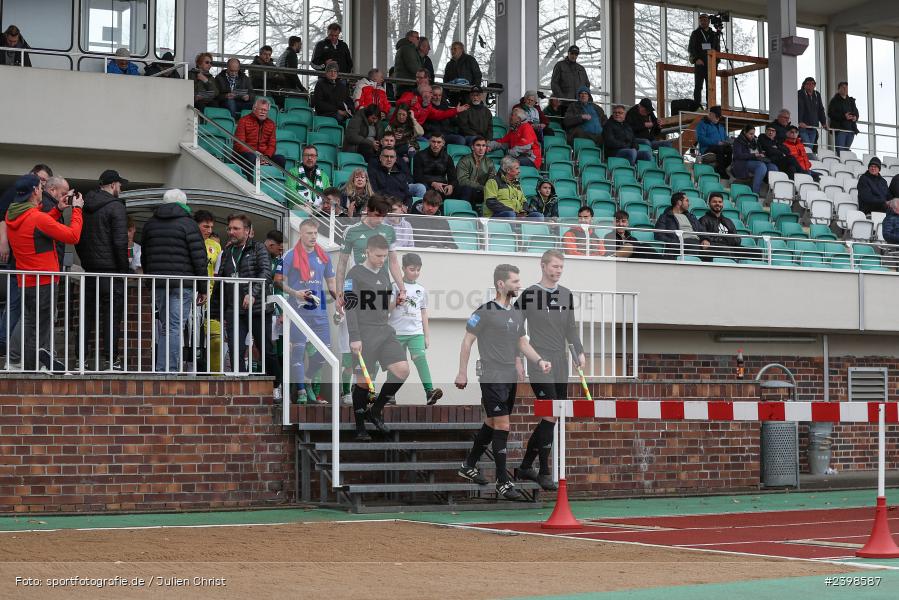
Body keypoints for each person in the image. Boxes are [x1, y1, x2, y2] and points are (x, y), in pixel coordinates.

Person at [455, 263, 552, 500]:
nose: (519, 285)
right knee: (503, 425)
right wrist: (462, 372)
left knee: (491, 422)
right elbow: (467, 341)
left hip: (509, 376)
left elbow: (521, 342)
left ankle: (468, 465)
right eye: (515, 281)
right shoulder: (484, 311)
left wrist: (538, 361)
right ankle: (503, 481)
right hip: (491, 375)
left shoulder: (517, 313)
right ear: (501, 284)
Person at [514, 250, 584, 490]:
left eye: (561, 267)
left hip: (561, 361)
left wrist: (579, 352)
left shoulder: (566, 295)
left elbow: (571, 329)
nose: (558, 270)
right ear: (543, 266)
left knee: (553, 416)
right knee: (550, 413)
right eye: (555, 266)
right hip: (539, 360)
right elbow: (514, 327)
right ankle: (543, 471)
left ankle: (525, 466)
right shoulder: (530, 294)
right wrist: (517, 358)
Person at [5, 174, 83, 371]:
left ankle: (23, 362)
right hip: (43, 279)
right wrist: (77, 210)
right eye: (39, 188)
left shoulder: (13, 214)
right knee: (38, 328)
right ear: (34, 192)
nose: (41, 190)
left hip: (26, 278)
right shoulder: (36, 217)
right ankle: (33, 368)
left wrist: (57, 209)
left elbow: (36, 226)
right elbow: (73, 236)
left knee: (31, 323)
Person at [345, 234, 411, 440]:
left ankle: (375, 410)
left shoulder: (384, 274)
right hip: (363, 333)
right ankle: (360, 428)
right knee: (364, 382)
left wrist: (396, 304)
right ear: (367, 252)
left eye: (384, 256)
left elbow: (384, 307)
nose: (382, 260)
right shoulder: (354, 274)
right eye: (378, 256)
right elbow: (350, 307)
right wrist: (354, 336)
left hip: (384, 329)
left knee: (402, 370)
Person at [141, 189, 208, 372]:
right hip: (182, 284)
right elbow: (199, 259)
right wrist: (203, 288)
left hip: (159, 283)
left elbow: (145, 257)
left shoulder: (150, 224)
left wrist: (150, 280)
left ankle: (164, 367)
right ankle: (168, 369)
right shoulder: (189, 224)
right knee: (175, 326)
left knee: (166, 326)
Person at [276, 219, 337, 404]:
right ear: (301, 234)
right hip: (298, 312)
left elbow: (332, 284)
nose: (313, 237)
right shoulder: (290, 255)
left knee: (324, 353)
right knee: (298, 353)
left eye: (315, 233)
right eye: (309, 233)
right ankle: (301, 392)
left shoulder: (324, 256)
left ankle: (308, 379)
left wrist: (340, 300)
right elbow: (278, 281)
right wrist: (296, 293)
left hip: (319, 313)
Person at [76, 170, 130, 370]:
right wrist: (124, 271)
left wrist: (86, 261)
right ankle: (111, 360)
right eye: (120, 185)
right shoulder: (116, 207)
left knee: (86, 315)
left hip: (89, 270)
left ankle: (80, 359)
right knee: (111, 316)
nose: (121, 188)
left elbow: (78, 239)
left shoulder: (84, 206)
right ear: (113, 185)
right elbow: (120, 242)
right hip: (110, 271)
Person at [0, 164, 52, 356]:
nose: (41, 184)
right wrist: (3, 242)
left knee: (28, 312)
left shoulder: (41, 203)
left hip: (30, 265)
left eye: (44, 181)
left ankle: (22, 350)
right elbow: (4, 216)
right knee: (17, 306)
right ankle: (5, 343)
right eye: (39, 179)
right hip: (18, 262)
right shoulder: (16, 194)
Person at [217, 214, 272, 374]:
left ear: (247, 231)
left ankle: (276, 385)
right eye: (229, 228)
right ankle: (240, 385)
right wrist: (216, 309)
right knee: (236, 350)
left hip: (258, 309)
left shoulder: (258, 248)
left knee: (266, 349)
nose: (231, 232)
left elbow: (266, 273)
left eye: (236, 228)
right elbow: (222, 278)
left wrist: (253, 293)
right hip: (234, 309)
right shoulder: (227, 251)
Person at [388, 253, 443, 405]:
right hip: (396, 332)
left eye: (418, 270)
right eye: (412, 269)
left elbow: (424, 312)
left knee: (420, 358)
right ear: (403, 269)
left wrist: (426, 335)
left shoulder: (421, 289)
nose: (416, 273)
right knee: (396, 364)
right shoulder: (394, 286)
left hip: (415, 333)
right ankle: (389, 395)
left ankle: (429, 392)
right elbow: (386, 308)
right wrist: (397, 301)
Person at [335, 196, 406, 311]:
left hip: (382, 287)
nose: (380, 220)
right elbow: (342, 264)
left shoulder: (389, 231)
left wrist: (402, 289)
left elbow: (393, 262)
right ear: (368, 210)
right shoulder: (351, 231)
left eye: (383, 216)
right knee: (357, 326)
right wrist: (339, 292)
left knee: (379, 326)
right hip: (358, 287)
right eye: (377, 215)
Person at [194, 210, 224, 371]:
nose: (209, 230)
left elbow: (219, 272)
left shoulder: (215, 246)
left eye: (211, 227)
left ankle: (215, 373)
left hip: (211, 296)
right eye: (205, 226)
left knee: (215, 338)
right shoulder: (189, 241)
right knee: (192, 338)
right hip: (191, 294)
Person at [233, 98, 287, 176]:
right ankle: (250, 183)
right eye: (261, 109)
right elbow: (239, 144)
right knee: (250, 157)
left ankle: (278, 184)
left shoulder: (271, 124)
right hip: (246, 155)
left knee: (280, 159)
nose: (263, 112)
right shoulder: (243, 121)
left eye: (265, 110)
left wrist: (266, 157)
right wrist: (257, 156)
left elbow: (272, 145)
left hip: (263, 156)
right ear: (254, 109)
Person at [654, 192, 707, 257]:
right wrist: (677, 242)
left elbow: (702, 230)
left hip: (696, 242)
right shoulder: (665, 217)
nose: (689, 204)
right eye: (687, 201)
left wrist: (705, 239)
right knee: (694, 246)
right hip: (682, 243)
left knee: (717, 247)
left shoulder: (691, 217)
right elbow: (659, 235)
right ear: (679, 202)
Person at [455, 136, 496, 213]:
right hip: (464, 191)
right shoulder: (464, 160)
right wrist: (481, 187)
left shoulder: (489, 162)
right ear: (472, 147)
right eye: (478, 145)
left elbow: (492, 179)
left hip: (481, 192)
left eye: (483, 146)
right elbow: (462, 181)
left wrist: (487, 188)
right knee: (468, 189)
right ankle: (466, 213)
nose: (481, 148)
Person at [732, 124, 777, 194]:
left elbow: (759, 151)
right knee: (761, 166)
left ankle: (772, 194)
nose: (752, 136)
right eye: (750, 134)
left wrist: (761, 154)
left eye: (753, 134)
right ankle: (755, 193)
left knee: (773, 167)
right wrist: (754, 155)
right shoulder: (738, 141)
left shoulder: (755, 141)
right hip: (743, 163)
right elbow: (738, 155)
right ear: (744, 132)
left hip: (757, 160)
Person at [688, 14, 721, 106]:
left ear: (708, 22)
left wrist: (716, 62)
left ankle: (710, 106)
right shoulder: (695, 33)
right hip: (700, 63)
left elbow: (717, 49)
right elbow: (691, 48)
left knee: (710, 86)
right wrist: (696, 59)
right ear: (699, 22)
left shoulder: (714, 34)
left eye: (705, 20)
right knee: (698, 86)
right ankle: (697, 106)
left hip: (711, 64)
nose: (703, 22)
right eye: (701, 20)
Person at [413, 133, 457, 198]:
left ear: (443, 143)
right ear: (429, 142)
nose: (436, 145)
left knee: (461, 189)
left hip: (442, 186)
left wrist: (451, 185)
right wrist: (433, 183)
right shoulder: (419, 155)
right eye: (433, 142)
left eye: (439, 142)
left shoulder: (448, 158)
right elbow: (417, 177)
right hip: (425, 185)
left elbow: (453, 178)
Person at [698, 192, 740, 260]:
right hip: (715, 249)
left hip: (730, 248)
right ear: (709, 204)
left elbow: (737, 239)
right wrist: (724, 240)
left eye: (720, 202)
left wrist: (725, 241)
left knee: (756, 252)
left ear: (722, 204)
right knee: (725, 249)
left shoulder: (728, 221)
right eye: (714, 202)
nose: (717, 204)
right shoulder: (703, 220)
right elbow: (704, 237)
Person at [696, 106, 731, 179]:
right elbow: (700, 139)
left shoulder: (721, 127)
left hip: (719, 147)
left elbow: (725, 137)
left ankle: (720, 168)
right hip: (707, 148)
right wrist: (716, 142)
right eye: (716, 116)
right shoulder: (702, 124)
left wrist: (728, 141)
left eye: (719, 117)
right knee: (719, 148)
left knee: (730, 149)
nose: (718, 118)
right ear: (711, 114)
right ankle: (721, 171)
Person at [828, 82, 859, 155]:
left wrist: (855, 117)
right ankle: (840, 165)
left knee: (846, 152)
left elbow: (856, 112)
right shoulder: (834, 101)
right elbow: (831, 114)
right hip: (840, 130)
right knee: (840, 151)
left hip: (850, 130)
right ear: (838, 89)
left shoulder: (851, 101)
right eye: (843, 87)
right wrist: (844, 116)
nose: (845, 89)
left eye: (846, 88)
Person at [797, 77, 827, 150]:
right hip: (803, 126)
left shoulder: (817, 94)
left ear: (814, 85)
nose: (810, 85)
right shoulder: (799, 94)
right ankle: (806, 160)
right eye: (808, 83)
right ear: (804, 85)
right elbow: (798, 108)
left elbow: (820, 109)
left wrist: (823, 123)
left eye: (812, 83)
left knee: (810, 147)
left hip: (813, 127)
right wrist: (799, 121)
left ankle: (807, 160)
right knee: (808, 146)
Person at [393, 30, 423, 95]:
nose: (419, 40)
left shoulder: (404, 48)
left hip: (404, 84)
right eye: (417, 38)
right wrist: (423, 76)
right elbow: (414, 67)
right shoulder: (408, 49)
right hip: (408, 85)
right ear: (410, 38)